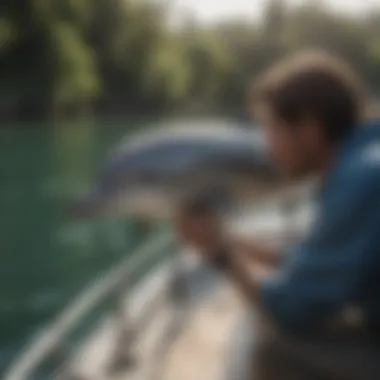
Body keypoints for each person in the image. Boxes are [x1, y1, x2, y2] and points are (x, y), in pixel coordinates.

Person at [174, 50, 380, 380]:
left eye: (272, 129)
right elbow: (317, 260)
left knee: (275, 348)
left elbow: (289, 310)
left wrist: (218, 253)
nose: (267, 147)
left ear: (310, 131)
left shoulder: (359, 182)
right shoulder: (365, 160)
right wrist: (230, 239)